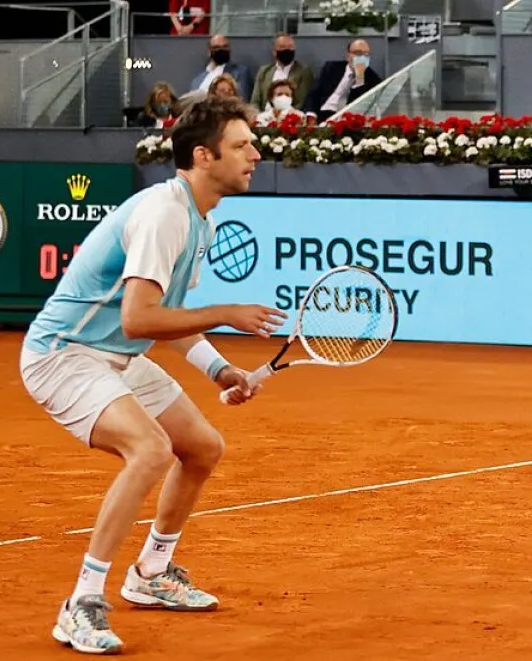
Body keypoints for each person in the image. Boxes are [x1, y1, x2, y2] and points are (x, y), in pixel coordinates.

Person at [19, 96, 287, 655]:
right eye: (241, 146)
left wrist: (218, 369)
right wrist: (225, 312)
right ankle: (82, 603)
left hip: (116, 356)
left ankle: (151, 573)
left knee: (203, 447)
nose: (255, 154)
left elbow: (166, 323)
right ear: (202, 155)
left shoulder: (201, 219)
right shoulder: (165, 213)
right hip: (62, 354)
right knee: (150, 450)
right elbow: (139, 317)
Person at [304, 38, 382, 123]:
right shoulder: (331, 68)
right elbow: (314, 94)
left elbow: (360, 108)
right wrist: (311, 115)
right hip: (323, 113)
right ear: (348, 56)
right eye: (358, 53)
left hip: (347, 120)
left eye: (366, 54)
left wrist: (359, 79)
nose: (362, 58)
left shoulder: (373, 79)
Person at [250, 32, 314, 113]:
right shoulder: (264, 71)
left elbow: (302, 102)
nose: (287, 50)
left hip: (290, 117)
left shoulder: (303, 71)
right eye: (282, 47)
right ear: (274, 52)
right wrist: (258, 117)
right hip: (264, 117)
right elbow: (255, 101)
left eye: (290, 47)